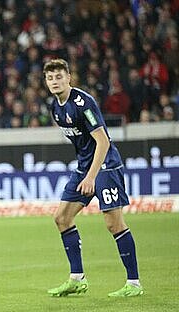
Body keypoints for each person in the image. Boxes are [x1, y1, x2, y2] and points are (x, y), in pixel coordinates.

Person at [43, 59, 143, 297]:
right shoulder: (55, 107)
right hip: (84, 167)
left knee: (114, 224)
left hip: (105, 166)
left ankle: (134, 283)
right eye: (50, 78)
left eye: (59, 77)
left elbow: (103, 141)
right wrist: (85, 172)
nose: (55, 82)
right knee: (62, 218)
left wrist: (91, 177)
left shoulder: (83, 103)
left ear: (69, 77)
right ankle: (77, 279)